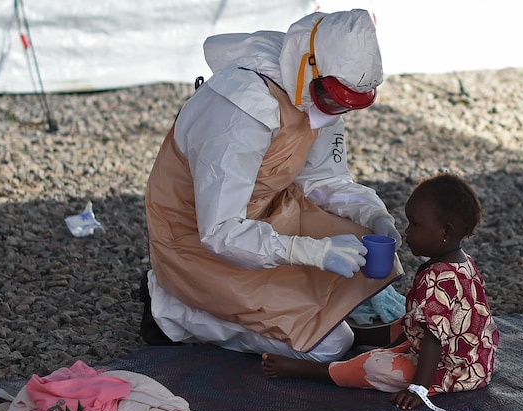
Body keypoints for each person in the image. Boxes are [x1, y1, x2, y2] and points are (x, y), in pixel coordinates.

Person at [141, 9, 402, 362]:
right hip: (196, 242)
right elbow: (219, 231)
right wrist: (311, 252)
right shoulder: (240, 110)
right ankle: (172, 309)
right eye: (332, 100)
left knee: (363, 243)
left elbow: (324, 180)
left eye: (346, 106)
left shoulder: (315, 90)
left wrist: (375, 215)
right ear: (309, 69)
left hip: (266, 215)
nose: (335, 112)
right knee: (330, 345)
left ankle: (281, 306)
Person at [262, 173, 500, 411]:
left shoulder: (437, 277)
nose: (407, 231)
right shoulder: (463, 262)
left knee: (374, 365)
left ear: (445, 232)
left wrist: (418, 389)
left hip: (453, 370)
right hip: (478, 360)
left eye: (415, 224)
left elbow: (434, 340)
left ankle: (305, 369)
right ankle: (359, 335)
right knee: (409, 322)